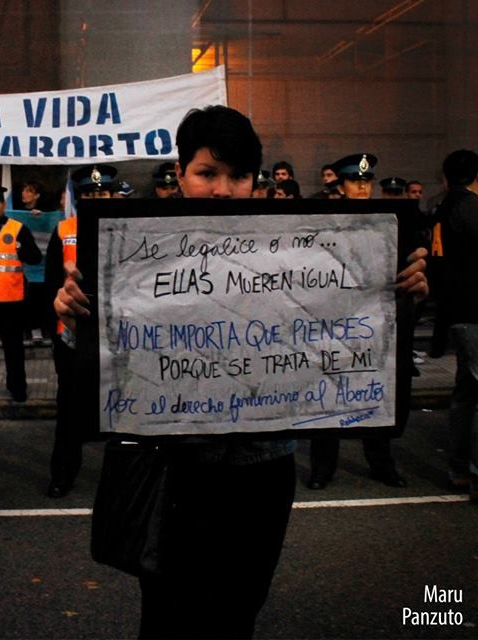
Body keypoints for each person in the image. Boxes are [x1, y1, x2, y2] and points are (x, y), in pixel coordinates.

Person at [53, 106, 428, 639]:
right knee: (167, 615)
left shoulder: (297, 248)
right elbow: (92, 365)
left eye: (239, 176)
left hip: (262, 469)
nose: (223, 190)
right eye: (207, 173)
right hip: (171, 468)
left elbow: (350, 326)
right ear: (180, 174)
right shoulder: (131, 249)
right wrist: (72, 316)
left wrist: (401, 297)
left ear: (256, 181)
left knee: (238, 612)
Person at [306, 153, 421, 490]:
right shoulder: (325, 221)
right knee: (327, 393)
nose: (361, 186)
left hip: (376, 321)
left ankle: (382, 464)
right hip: (333, 320)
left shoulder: (390, 220)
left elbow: (412, 259)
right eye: (355, 181)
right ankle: (322, 468)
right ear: (339, 186)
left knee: (374, 394)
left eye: (366, 181)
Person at [43, 163, 117, 499]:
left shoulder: (125, 228)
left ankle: (119, 479)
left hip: (117, 338)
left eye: (101, 192)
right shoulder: (64, 230)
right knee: (69, 408)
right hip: (71, 335)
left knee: (117, 412)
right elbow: (48, 284)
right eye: (89, 193)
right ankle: (62, 475)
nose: (96, 198)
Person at [436, 149, 478, 500]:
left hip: (455, 312)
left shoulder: (442, 207)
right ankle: (471, 471)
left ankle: (460, 468)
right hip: (475, 311)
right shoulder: (470, 207)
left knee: (465, 394)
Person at [0, 185, 42, 402]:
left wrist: (22, 248)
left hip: (10, 299)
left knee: (13, 349)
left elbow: (35, 258)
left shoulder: (17, 228)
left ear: (3, 205)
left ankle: (17, 388)